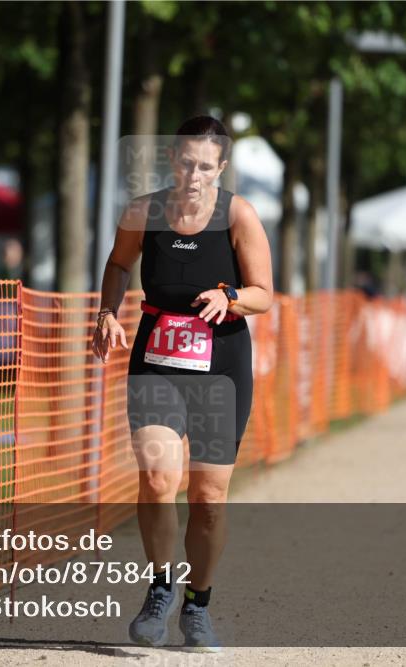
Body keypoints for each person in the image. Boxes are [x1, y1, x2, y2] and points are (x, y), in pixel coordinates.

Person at [91, 116, 273, 651]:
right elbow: (119, 263)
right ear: (172, 161)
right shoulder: (143, 211)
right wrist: (107, 310)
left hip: (222, 363)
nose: (194, 175)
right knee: (155, 478)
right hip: (157, 357)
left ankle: (199, 602)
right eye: (186, 162)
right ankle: (160, 587)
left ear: (221, 168)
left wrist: (231, 298)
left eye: (206, 167)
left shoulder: (238, 214)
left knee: (210, 497)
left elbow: (265, 291)